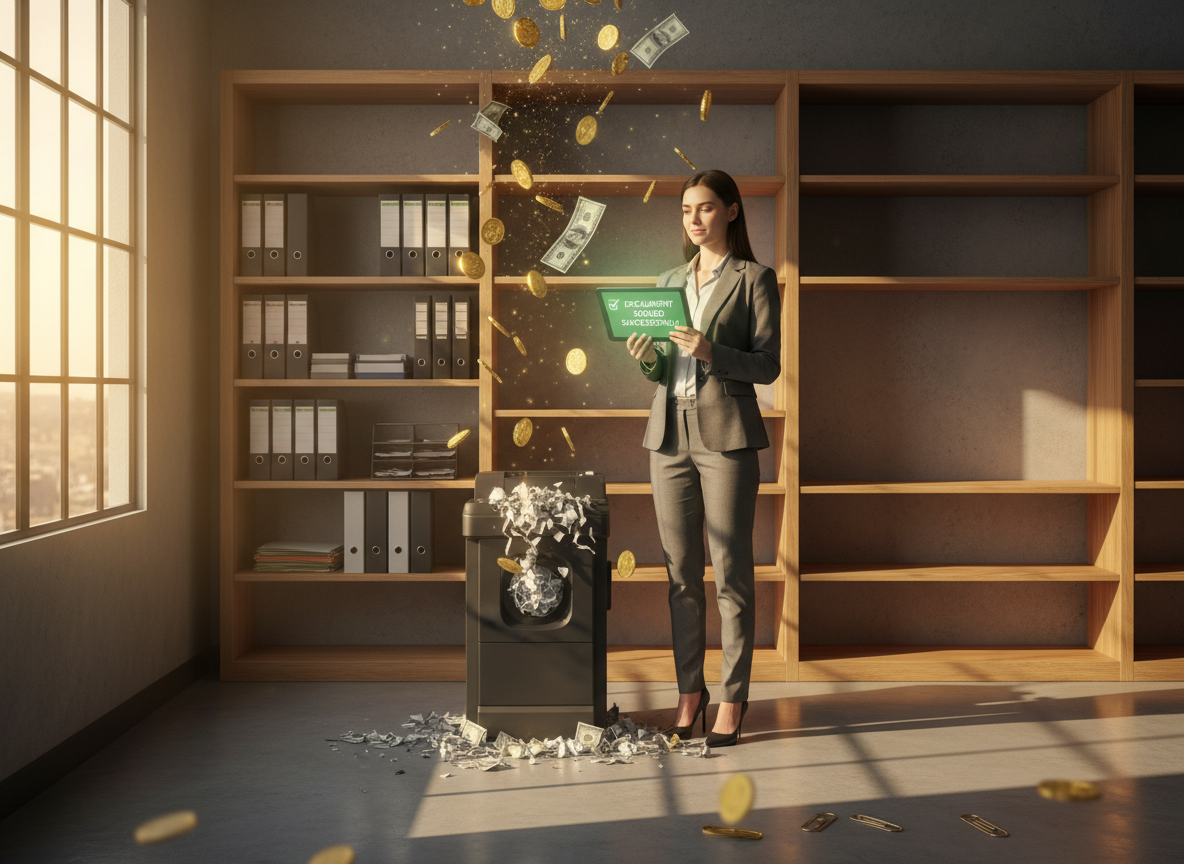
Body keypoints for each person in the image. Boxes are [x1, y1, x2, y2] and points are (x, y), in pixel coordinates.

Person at [626, 169, 781, 747]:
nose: (695, 219)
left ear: (732, 212)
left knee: (731, 576)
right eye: (687, 209)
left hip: (727, 437)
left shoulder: (754, 279)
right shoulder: (668, 279)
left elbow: (768, 366)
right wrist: (646, 360)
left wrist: (712, 350)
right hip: (668, 437)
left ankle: (733, 700)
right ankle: (690, 694)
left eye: (707, 208)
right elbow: (662, 370)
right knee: (679, 576)